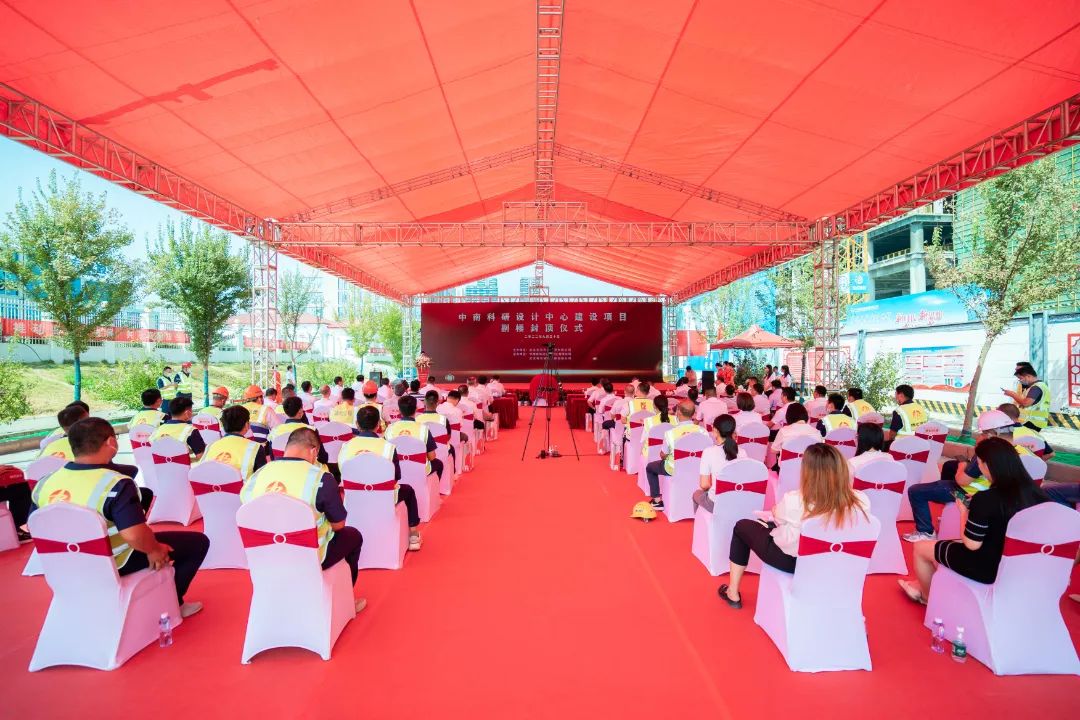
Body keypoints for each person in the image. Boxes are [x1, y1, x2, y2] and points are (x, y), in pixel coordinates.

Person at [31, 417, 209, 615]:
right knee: (198, 543)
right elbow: (134, 536)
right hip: (115, 560)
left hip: (64, 563)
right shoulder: (116, 484)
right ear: (111, 442)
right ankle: (173, 603)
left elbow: (33, 525)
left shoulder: (45, 482)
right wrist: (154, 549)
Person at [899, 436, 1048, 605]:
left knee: (921, 548)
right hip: (1022, 565)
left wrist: (964, 512)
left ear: (987, 465)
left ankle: (927, 597)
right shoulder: (1039, 495)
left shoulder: (986, 499)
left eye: (979, 463)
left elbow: (971, 544)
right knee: (944, 545)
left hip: (987, 567)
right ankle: (929, 584)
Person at [718, 443, 870, 609]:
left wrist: (776, 512)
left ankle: (733, 593)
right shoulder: (862, 501)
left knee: (741, 527)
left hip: (794, 562)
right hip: (837, 564)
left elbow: (777, 516)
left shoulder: (795, 500)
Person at [240, 427, 367, 613]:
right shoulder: (321, 478)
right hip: (310, 555)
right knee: (353, 536)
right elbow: (339, 525)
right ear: (314, 451)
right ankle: (347, 599)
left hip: (264, 554)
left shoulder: (257, 476)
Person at [903, 409, 1022, 542]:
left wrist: (963, 465)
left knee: (916, 491)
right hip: (989, 496)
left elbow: (961, 481)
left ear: (990, 434)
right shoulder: (1017, 450)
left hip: (966, 495)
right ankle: (946, 514)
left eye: (982, 433)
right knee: (949, 467)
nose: (980, 436)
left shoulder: (987, 452)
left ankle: (925, 532)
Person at [339, 406, 423, 551]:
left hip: (353, 497)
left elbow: (343, 472)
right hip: (384, 497)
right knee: (408, 491)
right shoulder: (388, 447)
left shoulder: (345, 447)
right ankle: (414, 534)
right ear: (378, 424)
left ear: (357, 424)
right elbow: (395, 478)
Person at [644, 400, 705, 510]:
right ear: (693, 413)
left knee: (650, 467)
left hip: (674, 468)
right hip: (698, 467)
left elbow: (663, 455)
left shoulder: (671, 433)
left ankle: (657, 501)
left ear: (678, 412)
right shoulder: (703, 431)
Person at [692, 414, 746, 513]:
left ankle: (700, 521)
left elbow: (704, 485)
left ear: (715, 431)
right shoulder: (743, 452)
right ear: (733, 431)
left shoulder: (708, 452)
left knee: (696, 494)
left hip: (716, 503)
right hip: (738, 501)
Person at [384, 394, 444, 480]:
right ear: (416, 409)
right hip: (420, 470)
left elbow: (386, 455)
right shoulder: (423, 429)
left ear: (399, 411)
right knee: (439, 464)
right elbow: (432, 456)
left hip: (395, 470)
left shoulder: (390, 429)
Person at [202, 405, 268, 479]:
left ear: (223, 426)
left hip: (212, 485)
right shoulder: (255, 448)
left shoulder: (210, 446)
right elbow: (262, 477)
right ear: (247, 425)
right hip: (244, 486)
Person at [269, 397, 328, 465]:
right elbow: (322, 457)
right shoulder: (311, 430)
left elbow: (272, 457)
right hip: (307, 468)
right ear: (300, 411)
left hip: (282, 467)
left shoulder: (275, 431)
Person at [150, 395, 206, 461]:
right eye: (191, 410)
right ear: (187, 413)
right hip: (183, 467)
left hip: (158, 466)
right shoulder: (190, 430)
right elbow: (201, 457)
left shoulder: (158, 430)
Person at [1003, 363, 1050, 432]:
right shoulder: (1034, 386)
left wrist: (1012, 394)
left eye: (1020, 378)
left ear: (1028, 376)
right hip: (1029, 423)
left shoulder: (1036, 388)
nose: (1020, 380)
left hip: (1032, 423)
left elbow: (1026, 403)